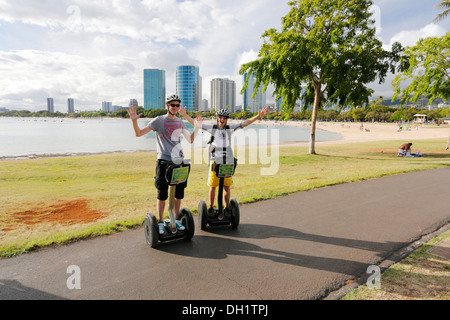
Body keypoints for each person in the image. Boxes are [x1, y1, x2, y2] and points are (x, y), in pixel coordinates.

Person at [127, 94, 203, 234]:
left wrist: (197, 127)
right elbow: (138, 133)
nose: (175, 107)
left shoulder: (180, 122)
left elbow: (190, 140)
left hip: (179, 160)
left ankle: (176, 219)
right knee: (162, 193)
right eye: (172, 105)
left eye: (177, 105)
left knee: (179, 193)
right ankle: (161, 221)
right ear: (167, 106)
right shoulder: (158, 121)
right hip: (163, 160)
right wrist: (134, 121)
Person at [180, 106, 268, 217]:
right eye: (220, 117)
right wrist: (184, 114)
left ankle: (226, 208)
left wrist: (257, 117)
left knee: (226, 186)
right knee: (213, 186)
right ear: (217, 117)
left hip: (227, 161)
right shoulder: (212, 128)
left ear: (227, 119)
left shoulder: (230, 128)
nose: (222, 119)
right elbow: (195, 124)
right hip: (214, 161)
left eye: (225, 117)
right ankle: (211, 208)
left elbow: (244, 123)